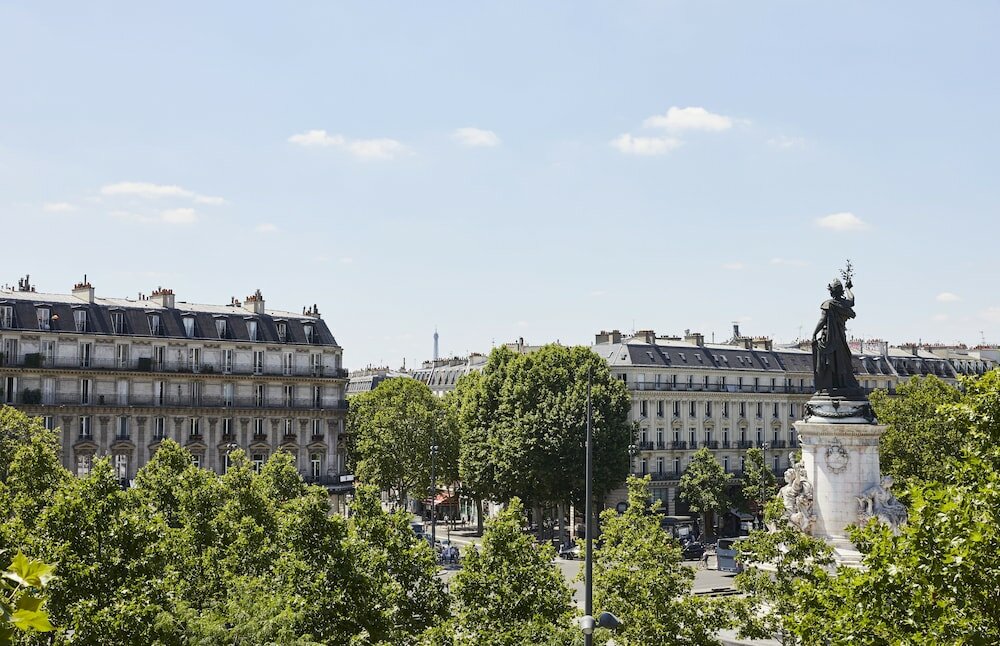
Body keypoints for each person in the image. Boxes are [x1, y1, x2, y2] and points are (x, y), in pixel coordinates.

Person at [812, 277, 861, 394]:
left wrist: (814, 334)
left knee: (830, 361)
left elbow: (822, 320)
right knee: (842, 360)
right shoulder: (843, 304)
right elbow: (852, 300)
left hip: (829, 338)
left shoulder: (829, 304)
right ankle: (842, 382)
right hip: (840, 337)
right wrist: (848, 288)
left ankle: (831, 384)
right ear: (841, 291)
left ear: (831, 291)